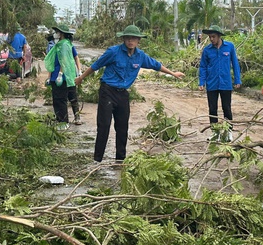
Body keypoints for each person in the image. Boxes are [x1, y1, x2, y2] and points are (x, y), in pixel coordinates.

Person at [75, 25, 185, 162]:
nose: (130, 41)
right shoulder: (113, 52)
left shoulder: (140, 56)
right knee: (104, 126)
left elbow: (156, 65)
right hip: (107, 91)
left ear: (138, 40)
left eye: (133, 38)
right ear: (124, 39)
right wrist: (81, 78)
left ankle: (120, 160)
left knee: (122, 128)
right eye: (127, 38)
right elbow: (96, 65)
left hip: (123, 94)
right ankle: (97, 159)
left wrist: (173, 74)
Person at [198, 25, 242, 140]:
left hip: (225, 83)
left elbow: (235, 64)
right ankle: (215, 133)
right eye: (210, 37)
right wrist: (201, 82)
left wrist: (237, 79)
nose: (211, 39)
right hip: (212, 84)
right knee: (212, 109)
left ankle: (228, 133)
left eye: (213, 37)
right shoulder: (207, 50)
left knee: (226, 108)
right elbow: (203, 66)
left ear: (219, 36)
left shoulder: (229, 47)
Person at [45, 26, 78, 127]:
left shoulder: (64, 45)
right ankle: (61, 120)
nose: (55, 33)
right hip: (56, 76)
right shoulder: (61, 44)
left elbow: (64, 61)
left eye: (57, 32)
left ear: (61, 33)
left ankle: (63, 122)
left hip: (62, 77)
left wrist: (60, 74)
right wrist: (50, 77)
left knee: (60, 100)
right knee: (58, 100)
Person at [63, 28, 82, 125]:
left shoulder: (70, 46)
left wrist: (79, 71)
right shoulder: (57, 46)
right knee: (62, 99)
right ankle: (63, 119)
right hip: (62, 77)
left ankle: (77, 117)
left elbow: (76, 58)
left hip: (70, 75)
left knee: (73, 97)